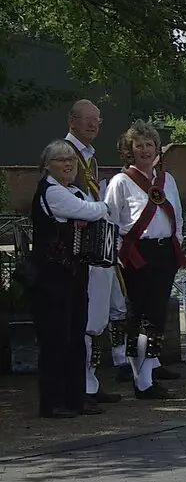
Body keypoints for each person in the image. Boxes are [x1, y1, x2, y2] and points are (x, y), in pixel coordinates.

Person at [30, 141, 112, 418]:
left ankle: (75, 398)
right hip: (52, 276)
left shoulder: (73, 191)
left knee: (75, 336)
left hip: (75, 275)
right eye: (61, 160)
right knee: (55, 339)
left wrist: (88, 211)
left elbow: (88, 209)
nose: (68, 164)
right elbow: (93, 210)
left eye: (72, 161)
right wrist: (91, 211)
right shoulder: (51, 192)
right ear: (47, 166)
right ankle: (52, 402)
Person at [104, 122, 185, 400]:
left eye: (149, 144)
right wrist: (119, 257)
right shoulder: (120, 182)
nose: (145, 150)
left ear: (156, 149)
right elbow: (111, 222)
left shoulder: (167, 180)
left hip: (165, 252)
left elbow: (179, 218)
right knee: (139, 314)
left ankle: (147, 375)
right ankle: (142, 381)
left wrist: (178, 243)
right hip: (136, 252)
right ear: (129, 151)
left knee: (157, 314)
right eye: (138, 145)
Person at [65, 101, 122, 405]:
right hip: (77, 246)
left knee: (97, 317)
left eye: (96, 121)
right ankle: (82, 385)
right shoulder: (63, 153)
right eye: (86, 120)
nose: (92, 126)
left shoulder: (91, 157)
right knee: (85, 318)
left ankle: (90, 381)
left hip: (95, 243)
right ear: (71, 121)